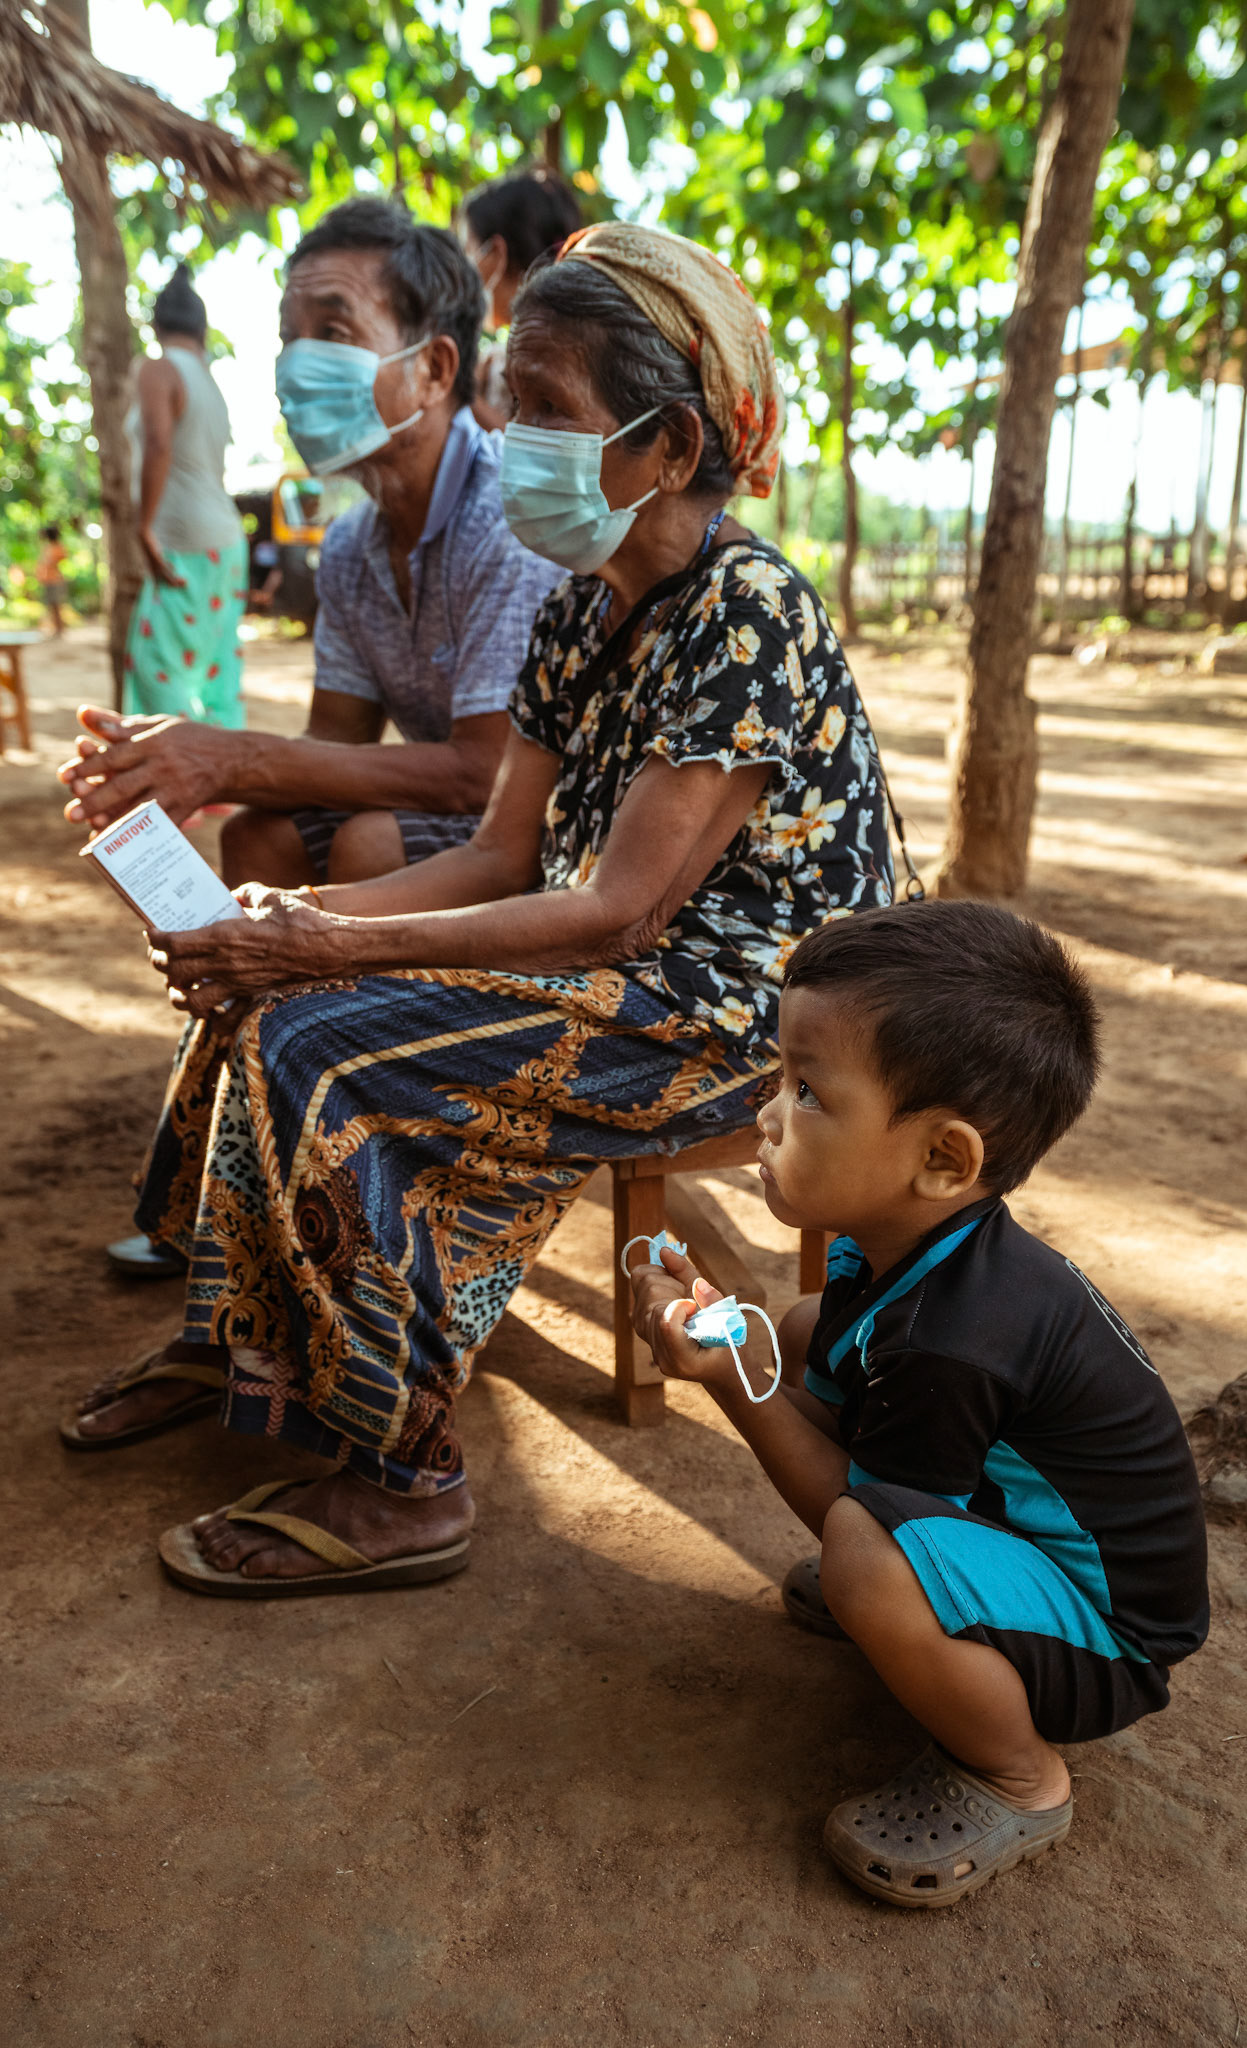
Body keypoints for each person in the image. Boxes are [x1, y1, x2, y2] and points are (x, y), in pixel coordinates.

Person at [59, 222, 903, 1603]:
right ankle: (245, 1342)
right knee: (256, 978)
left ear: (669, 449)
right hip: (637, 969)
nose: (512, 436)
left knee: (313, 1039)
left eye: (549, 412)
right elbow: (500, 853)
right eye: (512, 404)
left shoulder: (746, 614)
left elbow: (620, 913)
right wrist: (296, 911)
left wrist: (331, 941)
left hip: (762, 1019)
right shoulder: (582, 613)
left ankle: (404, 1484)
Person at [632, 900, 1209, 1910]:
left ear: (941, 1159)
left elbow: (843, 1508)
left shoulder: (958, 1337)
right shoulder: (917, 1251)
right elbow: (832, 1401)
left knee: (864, 1552)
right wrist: (747, 1337)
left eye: (809, 1091)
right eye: (782, 1074)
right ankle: (937, 1603)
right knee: (808, 1328)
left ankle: (1019, 1777)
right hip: (1018, 1534)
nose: (769, 1113)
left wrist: (728, 1376)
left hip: (1106, 1637)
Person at [60, 200, 560, 893]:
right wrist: (169, 760)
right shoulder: (354, 544)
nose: (297, 366)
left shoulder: (506, 515)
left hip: (564, 831)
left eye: (332, 330)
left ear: (436, 368)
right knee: (257, 838)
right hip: (470, 811)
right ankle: (260, 1003)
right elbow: (336, 744)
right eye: (288, 339)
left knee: (370, 847)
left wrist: (229, 760)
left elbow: (484, 774)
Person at [122, 264, 248, 725]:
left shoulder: (158, 369)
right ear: (202, 329)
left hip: (184, 542)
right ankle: (223, 789)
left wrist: (144, 527)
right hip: (227, 544)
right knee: (219, 676)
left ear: (156, 327)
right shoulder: (211, 383)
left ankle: (172, 784)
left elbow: (158, 444)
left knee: (157, 670)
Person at [459, 166, 583, 432]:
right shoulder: (494, 359)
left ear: (495, 255)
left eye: (468, 252)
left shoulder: (556, 356)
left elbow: (540, 453)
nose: (466, 270)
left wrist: (460, 393)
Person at [36, 523, 68, 636]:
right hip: (47, 580)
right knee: (50, 605)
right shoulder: (47, 547)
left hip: (55, 580)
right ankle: (54, 628)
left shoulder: (57, 547)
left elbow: (58, 559)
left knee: (56, 605)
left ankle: (59, 629)